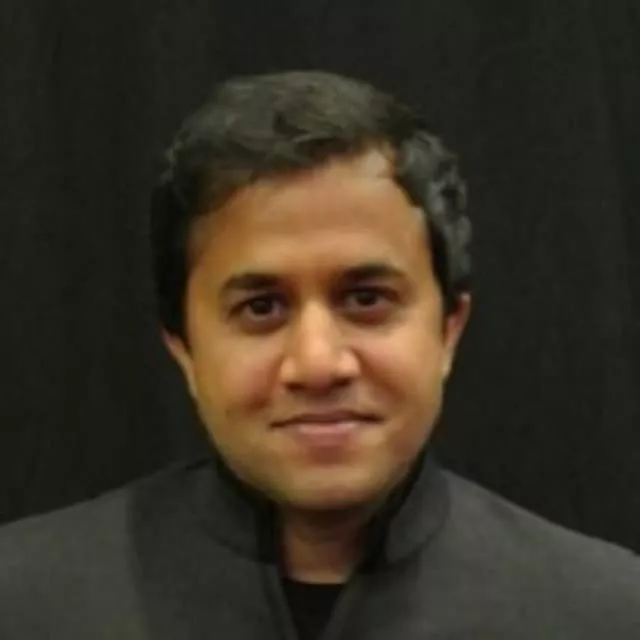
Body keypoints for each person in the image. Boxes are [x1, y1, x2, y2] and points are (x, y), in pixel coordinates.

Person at [0, 70, 638, 640]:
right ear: (184, 349)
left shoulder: (605, 615)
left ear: (448, 330)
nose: (318, 364)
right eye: (261, 308)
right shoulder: (24, 604)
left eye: (366, 299)